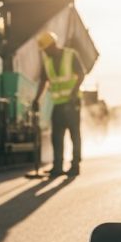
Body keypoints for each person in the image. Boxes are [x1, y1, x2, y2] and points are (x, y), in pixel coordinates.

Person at [32, 31, 85, 177]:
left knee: (74, 135)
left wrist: (74, 93)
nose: (45, 52)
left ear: (53, 45)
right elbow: (44, 81)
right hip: (59, 105)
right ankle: (57, 167)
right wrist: (36, 100)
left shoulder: (70, 55)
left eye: (46, 49)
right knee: (56, 137)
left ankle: (75, 166)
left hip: (72, 103)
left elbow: (81, 74)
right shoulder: (47, 62)